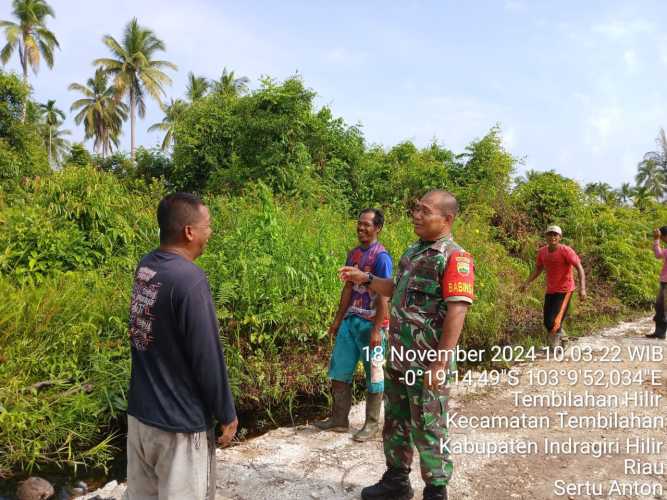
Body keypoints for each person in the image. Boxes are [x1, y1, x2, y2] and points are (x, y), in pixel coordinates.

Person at [339, 191, 474, 500]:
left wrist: (440, 363)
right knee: (396, 421)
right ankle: (397, 480)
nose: (416, 215)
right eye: (415, 209)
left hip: (427, 362)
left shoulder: (454, 257)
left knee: (429, 425)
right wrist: (365, 278)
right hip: (399, 356)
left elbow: (458, 310)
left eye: (424, 211)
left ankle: (436, 490)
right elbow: (394, 288)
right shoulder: (413, 252)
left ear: (447, 219)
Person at [125, 193, 238, 500]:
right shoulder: (189, 279)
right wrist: (226, 412)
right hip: (178, 425)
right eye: (208, 225)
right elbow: (207, 357)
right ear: (189, 231)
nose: (210, 232)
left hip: (140, 417)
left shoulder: (146, 267)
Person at [314, 208, 393, 442]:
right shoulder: (354, 254)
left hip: (372, 323)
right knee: (340, 369)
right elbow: (347, 288)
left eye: (367, 225)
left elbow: (385, 294)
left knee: (374, 373)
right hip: (351, 320)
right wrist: (337, 321)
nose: (361, 228)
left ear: (377, 228)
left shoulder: (381, 257)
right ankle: (339, 420)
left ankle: (371, 424)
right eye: (359, 224)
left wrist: (378, 329)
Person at [520, 225, 587, 349]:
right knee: (547, 322)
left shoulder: (566, 251)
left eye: (555, 235)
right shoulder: (542, 252)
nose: (552, 237)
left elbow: (579, 268)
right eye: (550, 234)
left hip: (565, 290)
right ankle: (563, 338)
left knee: (555, 323)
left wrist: (582, 289)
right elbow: (538, 269)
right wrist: (527, 283)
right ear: (545, 236)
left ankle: (557, 345)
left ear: (560, 237)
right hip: (551, 290)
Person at [648, 226, 667, 339]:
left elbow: (658, 254)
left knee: (662, 307)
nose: (663, 239)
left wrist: (656, 239)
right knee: (660, 306)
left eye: (663, 237)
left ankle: (661, 333)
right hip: (664, 281)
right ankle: (659, 332)